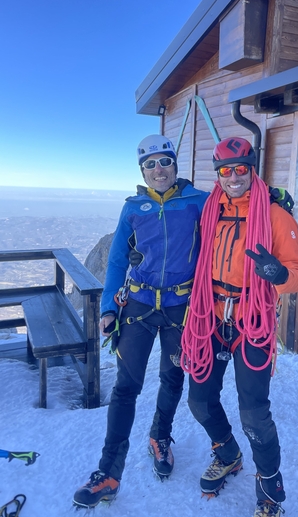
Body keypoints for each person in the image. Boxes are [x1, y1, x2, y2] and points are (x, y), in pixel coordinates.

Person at [73, 134, 209, 508]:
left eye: (164, 161)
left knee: (173, 376)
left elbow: (236, 214)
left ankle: (159, 437)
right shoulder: (133, 207)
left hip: (182, 308)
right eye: (149, 165)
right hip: (137, 307)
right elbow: (117, 261)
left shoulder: (198, 201)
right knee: (125, 388)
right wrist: (107, 308)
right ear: (142, 172)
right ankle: (108, 472)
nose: (158, 170)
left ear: (175, 165)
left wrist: (271, 198)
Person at [181, 137, 298, 517]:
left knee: (254, 412)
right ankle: (228, 452)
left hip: (253, 320)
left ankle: (270, 493)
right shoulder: (209, 209)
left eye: (240, 169)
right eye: (225, 170)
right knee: (199, 398)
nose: (233, 177)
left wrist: (278, 273)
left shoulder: (274, 215)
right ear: (217, 174)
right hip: (212, 316)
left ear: (251, 169)